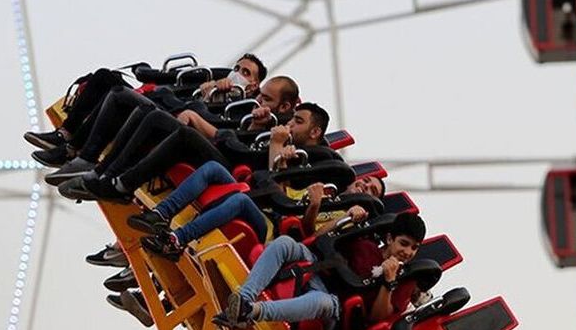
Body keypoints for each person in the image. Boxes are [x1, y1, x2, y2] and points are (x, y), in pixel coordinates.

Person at [59, 76, 301, 202]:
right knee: (143, 109)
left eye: (267, 99)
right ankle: (103, 173)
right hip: (215, 146)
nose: (259, 101)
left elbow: (258, 169)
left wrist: (275, 140)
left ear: (285, 107)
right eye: (260, 96)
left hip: (226, 168)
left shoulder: (283, 137)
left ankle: (120, 184)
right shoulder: (247, 114)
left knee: (169, 124)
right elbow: (226, 133)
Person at [35, 54, 268, 178]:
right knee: (105, 77)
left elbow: (221, 132)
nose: (237, 74)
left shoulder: (244, 110)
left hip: (171, 125)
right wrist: (206, 91)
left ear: (254, 85)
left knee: (121, 96)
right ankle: (65, 136)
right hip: (164, 107)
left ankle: (81, 155)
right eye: (236, 69)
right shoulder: (208, 85)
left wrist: (213, 101)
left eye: (245, 73)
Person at [132, 160, 384, 261]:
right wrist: (281, 157)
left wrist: (315, 205)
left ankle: (176, 240)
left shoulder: (344, 217)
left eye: (371, 190)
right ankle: (161, 214)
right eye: (366, 180)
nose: (365, 185)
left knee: (240, 201)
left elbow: (312, 236)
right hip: (265, 205)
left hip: (273, 231)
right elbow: (280, 187)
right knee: (213, 168)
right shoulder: (325, 187)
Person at [214, 212, 425, 330]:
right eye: (404, 244)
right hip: (318, 270)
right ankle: (243, 299)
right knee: (285, 243)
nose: (408, 252)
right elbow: (320, 239)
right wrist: (346, 219)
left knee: (321, 302)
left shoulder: (405, 281)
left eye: (414, 248)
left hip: (335, 304)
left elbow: (377, 318)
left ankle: (251, 312)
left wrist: (389, 282)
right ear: (389, 238)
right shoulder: (366, 245)